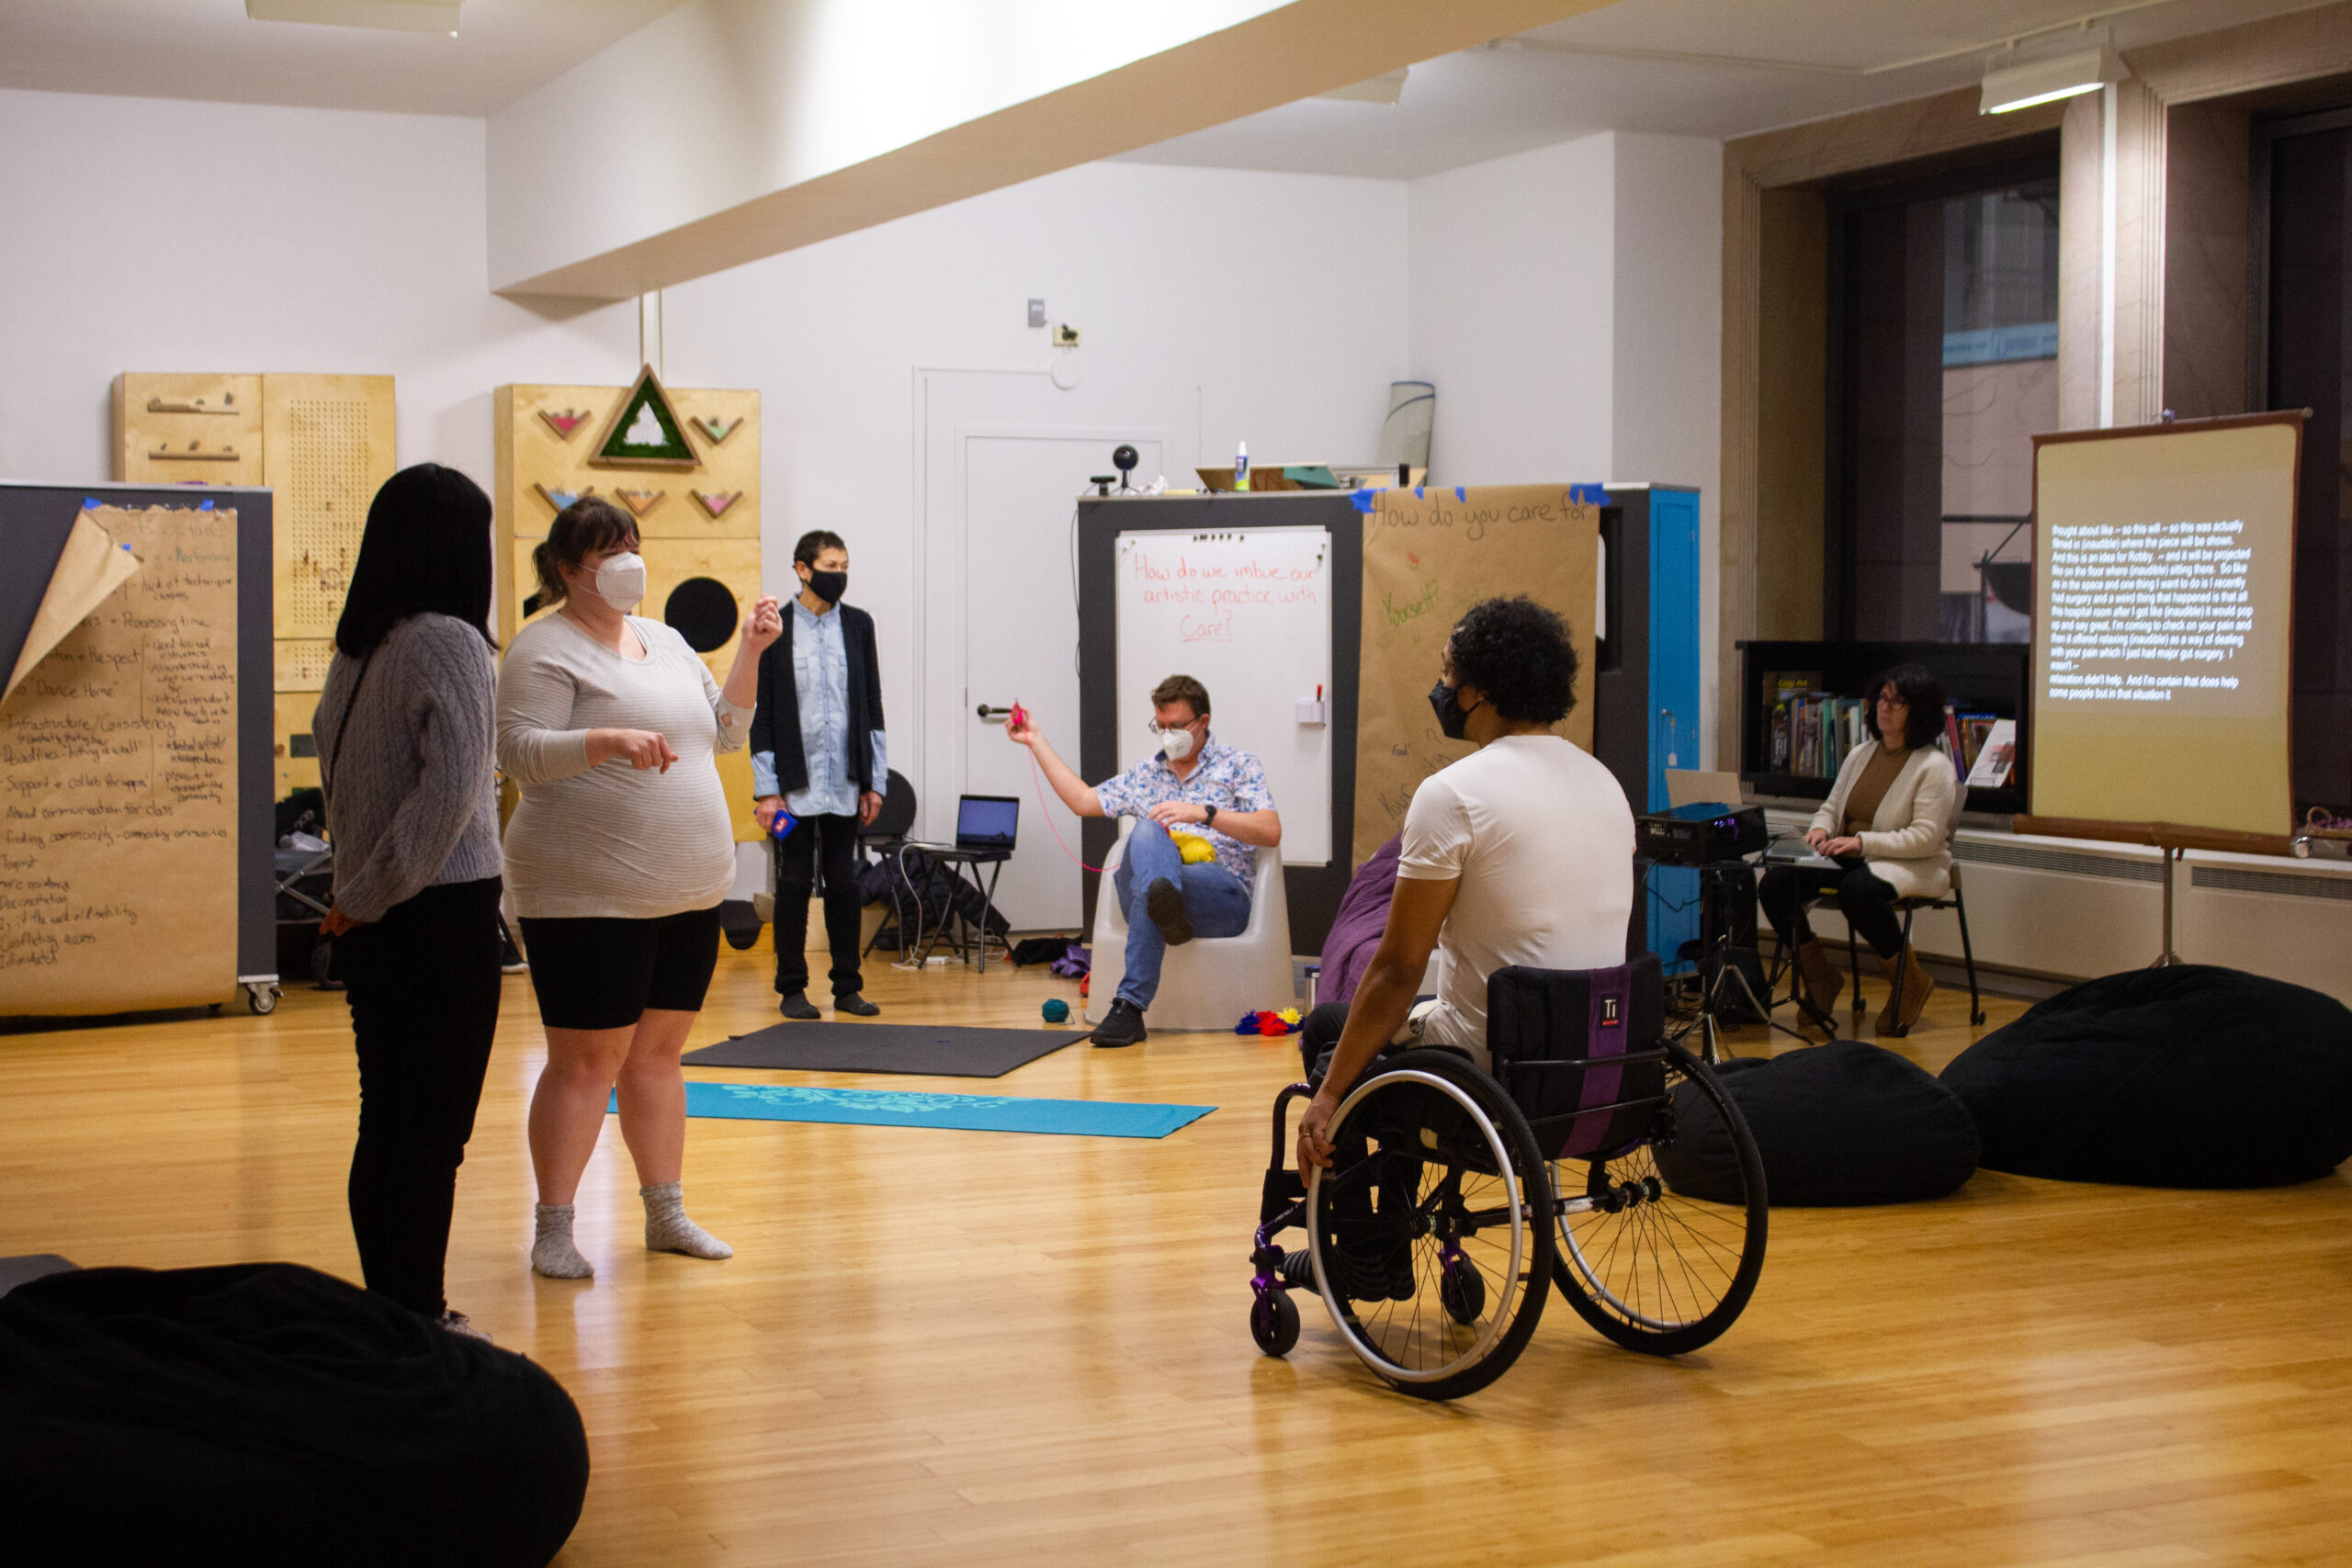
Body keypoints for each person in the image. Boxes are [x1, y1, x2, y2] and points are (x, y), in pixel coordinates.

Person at [496, 496, 783, 1280]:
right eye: (607, 551)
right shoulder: (544, 648)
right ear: (566, 568)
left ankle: (666, 1212)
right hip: (586, 893)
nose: (628, 561)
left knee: (657, 1057)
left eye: (632, 544)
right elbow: (519, 752)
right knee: (586, 1061)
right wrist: (605, 739)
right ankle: (555, 1225)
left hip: (687, 888)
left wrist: (752, 649)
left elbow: (728, 729)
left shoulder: (665, 639)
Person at [1297, 596, 1633, 1178]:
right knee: (1387, 1037)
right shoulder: (1605, 781)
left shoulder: (1452, 794)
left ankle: (1367, 1255)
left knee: (1331, 1030)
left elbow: (1397, 970)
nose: (1441, 686)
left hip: (1496, 1067)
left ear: (1478, 690)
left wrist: (1327, 1097)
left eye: (1448, 672)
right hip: (1604, 1055)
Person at [313, 463, 504, 1341]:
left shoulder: (363, 644)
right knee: (431, 1133)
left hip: (375, 917)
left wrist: (356, 895)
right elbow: (452, 797)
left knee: (386, 1119)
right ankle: (417, 1320)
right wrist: (374, 891)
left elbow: (348, 786)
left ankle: (387, 1306)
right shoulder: (450, 642)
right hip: (435, 914)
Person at [1008, 675, 1279, 1047]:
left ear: (1203, 722)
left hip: (1218, 893)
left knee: (1150, 888)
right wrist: (1035, 740)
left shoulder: (1238, 765)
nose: (1168, 735)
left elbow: (1270, 830)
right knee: (1149, 833)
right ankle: (1160, 899)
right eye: (1161, 726)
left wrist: (1203, 813)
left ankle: (1130, 1007)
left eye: (1178, 726)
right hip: (1156, 885)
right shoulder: (1145, 774)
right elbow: (1083, 801)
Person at [1759, 662, 1958, 1035]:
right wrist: (1820, 830)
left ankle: (1910, 980)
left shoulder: (1935, 767)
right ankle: (1820, 976)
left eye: (1897, 702)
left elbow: (1925, 838)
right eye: (1882, 698)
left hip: (1909, 862)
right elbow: (1832, 808)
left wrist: (1862, 842)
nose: (1884, 707)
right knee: (1775, 885)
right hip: (1849, 856)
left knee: (1858, 892)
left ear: (1919, 710)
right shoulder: (1861, 753)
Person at [748, 529, 887, 1020]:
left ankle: (847, 988)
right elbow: (760, 715)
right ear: (802, 569)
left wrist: (875, 780)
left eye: (844, 565)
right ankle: (792, 990)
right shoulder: (775, 628)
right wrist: (767, 791)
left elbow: (871, 704)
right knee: (793, 884)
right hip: (792, 787)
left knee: (844, 883)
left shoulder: (860, 626)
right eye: (830, 567)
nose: (839, 576)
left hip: (845, 781)